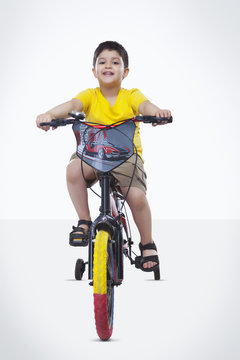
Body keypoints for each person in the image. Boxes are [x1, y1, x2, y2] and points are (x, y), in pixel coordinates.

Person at [36, 41, 171, 271]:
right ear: (94, 70)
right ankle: (85, 221)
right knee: (72, 169)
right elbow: (72, 105)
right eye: (102, 62)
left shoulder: (131, 96)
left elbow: (145, 106)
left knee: (137, 197)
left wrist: (156, 112)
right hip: (93, 153)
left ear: (125, 71)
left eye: (115, 62)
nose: (108, 65)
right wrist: (50, 114)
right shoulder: (90, 95)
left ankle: (147, 242)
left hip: (126, 156)